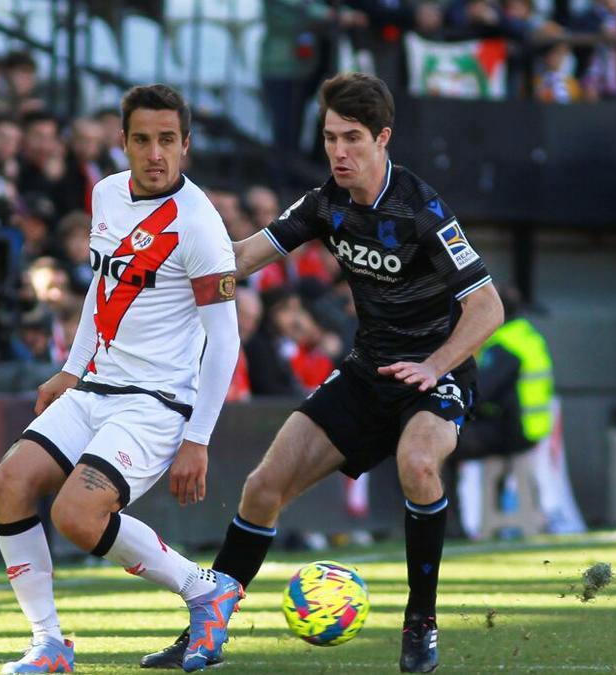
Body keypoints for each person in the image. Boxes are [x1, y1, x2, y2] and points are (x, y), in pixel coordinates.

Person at [142, 72, 504, 673]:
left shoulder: (422, 210)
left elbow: (487, 308)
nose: (339, 151)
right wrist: (167, 272)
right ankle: (206, 628)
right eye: (331, 136)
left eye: (353, 138)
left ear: (383, 138)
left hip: (435, 373)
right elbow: (247, 256)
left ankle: (421, 624)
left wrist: (435, 364)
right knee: (262, 488)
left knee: (419, 465)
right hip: (368, 372)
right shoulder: (326, 204)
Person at [0, 84, 241, 673]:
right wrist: (72, 369)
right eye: (143, 140)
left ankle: (204, 588)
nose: (156, 154)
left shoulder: (200, 224)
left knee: (75, 516)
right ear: (123, 143)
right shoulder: (105, 194)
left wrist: (198, 438)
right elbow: (101, 292)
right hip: (94, 385)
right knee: (8, 482)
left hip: (154, 402)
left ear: (186, 145)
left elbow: (225, 341)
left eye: (168, 141)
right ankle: (48, 644)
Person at [452, 285, 554, 536]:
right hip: (531, 430)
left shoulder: (503, 345)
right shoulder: (526, 335)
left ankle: (450, 529)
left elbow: (481, 393)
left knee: (441, 445)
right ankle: (486, 520)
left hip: (514, 432)